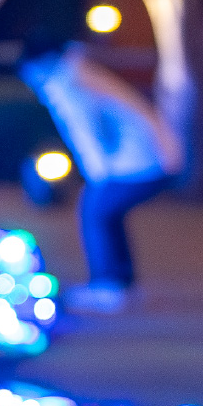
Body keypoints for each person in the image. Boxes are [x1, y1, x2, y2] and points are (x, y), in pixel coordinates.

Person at [18, 33, 184, 313]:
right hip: (128, 163)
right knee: (104, 213)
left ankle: (108, 287)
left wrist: (164, 140)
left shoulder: (71, 76)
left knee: (96, 212)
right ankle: (120, 285)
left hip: (134, 164)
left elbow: (120, 109)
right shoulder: (68, 76)